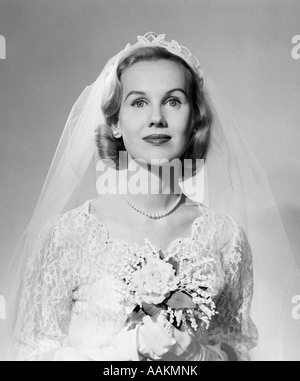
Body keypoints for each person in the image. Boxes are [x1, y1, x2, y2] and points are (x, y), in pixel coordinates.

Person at [0, 32, 299, 361]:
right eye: (139, 102)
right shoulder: (67, 235)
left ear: (194, 118)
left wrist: (198, 355)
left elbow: (238, 352)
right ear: (115, 122)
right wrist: (123, 351)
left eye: (173, 101)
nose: (157, 117)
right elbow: (30, 356)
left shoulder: (225, 237)